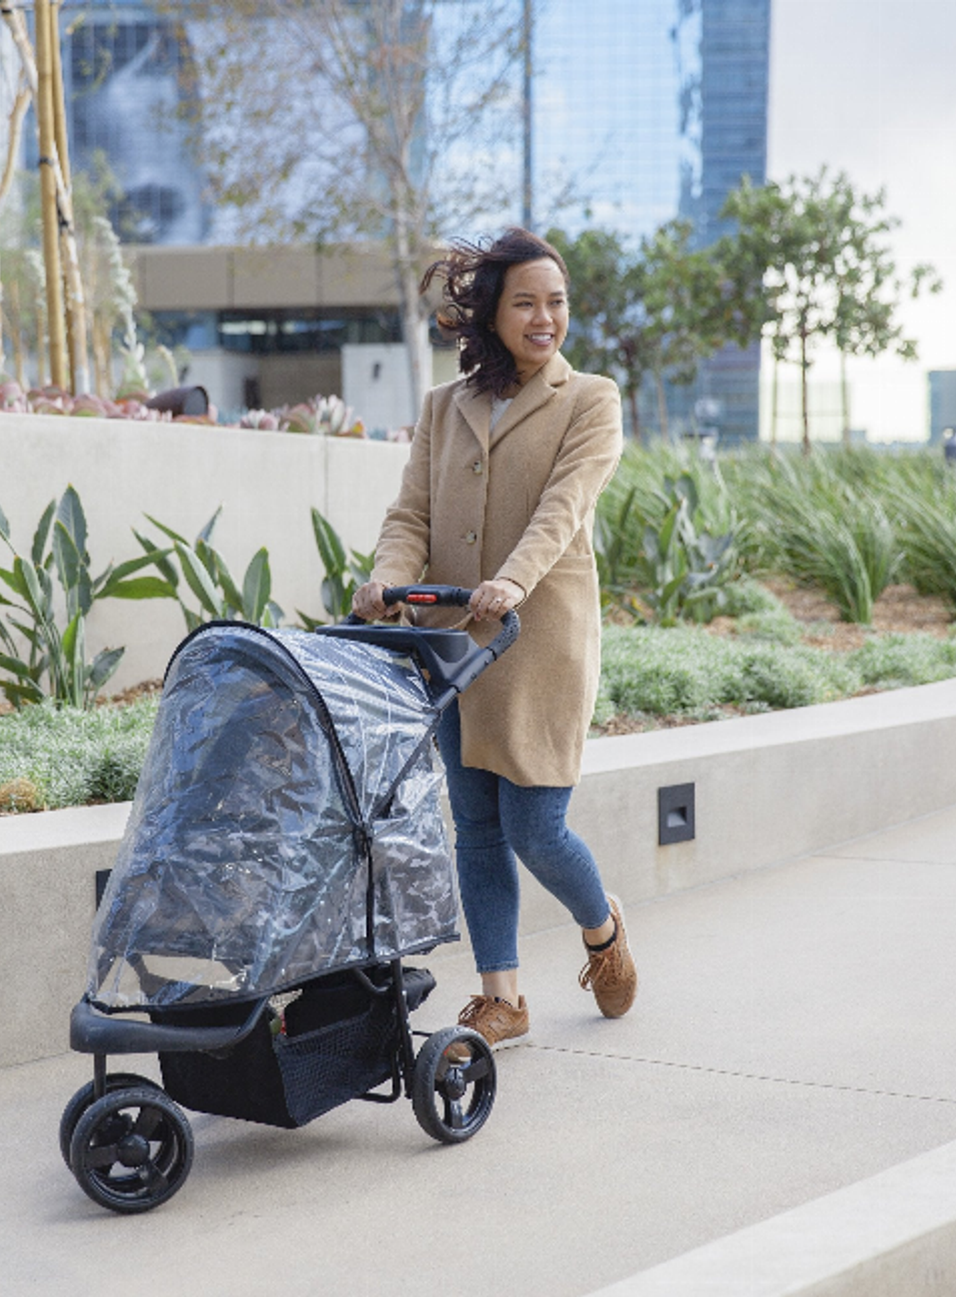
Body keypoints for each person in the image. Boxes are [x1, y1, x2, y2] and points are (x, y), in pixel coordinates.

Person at [352, 227, 636, 1051]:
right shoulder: (445, 406)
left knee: (535, 825)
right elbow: (413, 513)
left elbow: (565, 506)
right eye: (527, 302)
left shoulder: (591, 399)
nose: (545, 317)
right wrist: (386, 578)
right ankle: (501, 996)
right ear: (491, 311)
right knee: (474, 826)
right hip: (450, 644)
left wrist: (512, 579)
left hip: (537, 639)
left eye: (557, 302)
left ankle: (601, 926)